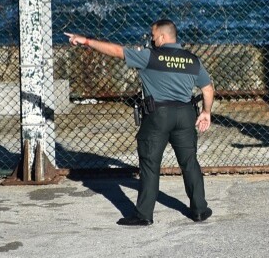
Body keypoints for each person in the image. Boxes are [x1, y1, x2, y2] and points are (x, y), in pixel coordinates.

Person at [65, 19, 214, 225]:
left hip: (158, 116)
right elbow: (207, 89)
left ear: (162, 37)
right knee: (190, 163)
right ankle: (199, 210)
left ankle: (144, 215)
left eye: (153, 35)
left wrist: (86, 41)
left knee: (150, 165)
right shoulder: (192, 60)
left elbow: (117, 51)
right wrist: (206, 112)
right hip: (186, 115)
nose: (151, 38)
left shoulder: (149, 57)